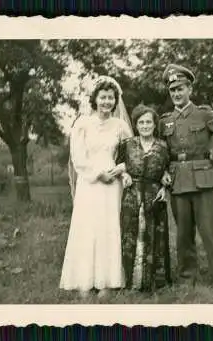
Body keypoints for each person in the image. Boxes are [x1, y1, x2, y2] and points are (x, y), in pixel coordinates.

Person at [158, 64, 213, 299]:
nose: (176, 94)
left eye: (180, 88)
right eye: (172, 90)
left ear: (189, 88)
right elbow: (161, 150)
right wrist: (163, 172)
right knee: (183, 234)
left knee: (211, 233)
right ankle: (187, 279)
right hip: (178, 182)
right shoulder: (165, 121)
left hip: (204, 180)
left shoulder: (204, 114)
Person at [60, 76, 133, 297]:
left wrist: (119, 170)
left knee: (108, 228)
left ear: (115, 100)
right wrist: (97, 174)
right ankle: (84, 280)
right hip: (90, 182)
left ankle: (107, 282)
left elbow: (132, 154)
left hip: (112, 184)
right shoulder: (82, 123)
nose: (107, 102)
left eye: (111, 98)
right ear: (95, 99)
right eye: (103, 97)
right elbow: (77, 157)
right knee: (87, 228)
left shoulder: (120, 126)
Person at [116, 104, 172, 292]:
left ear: (155, 124)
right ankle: (131, 281)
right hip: (132, 195)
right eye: (141, 122)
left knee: (155, 236)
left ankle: (155, 282)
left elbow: (169, 169)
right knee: (131, 236)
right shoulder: (127, 144)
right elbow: (119, 165)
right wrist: (124, 175)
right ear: (136, 124)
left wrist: (166, 186)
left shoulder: (163, 146)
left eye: (149, 122)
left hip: (155, 196)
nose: (145, 125)